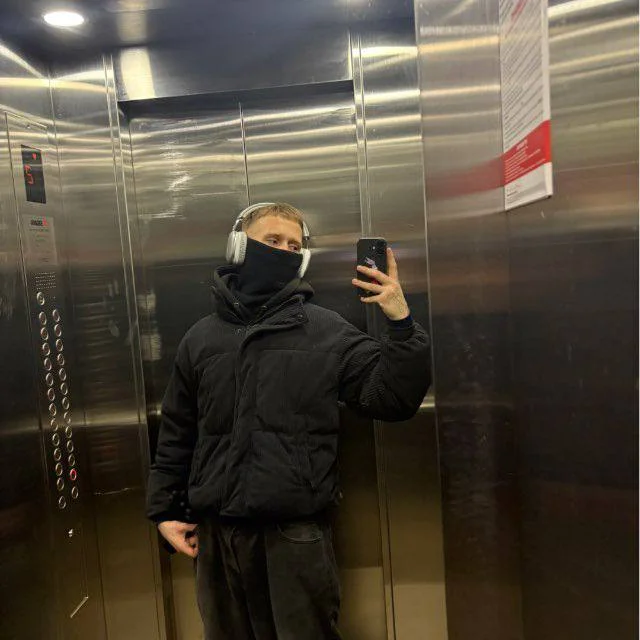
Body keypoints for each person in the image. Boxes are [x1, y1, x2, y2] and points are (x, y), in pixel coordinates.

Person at [146, 202, 431, 640]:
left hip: (294, 537)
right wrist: (166, 509)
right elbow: (177, 431)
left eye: (294, 246)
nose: (283, 251)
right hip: (216, 537)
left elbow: (393, 399)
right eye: (272, 240)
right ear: (239, 247)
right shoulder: (201, 338)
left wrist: (401, 322)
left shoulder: (327, 331)